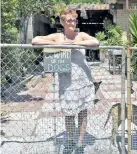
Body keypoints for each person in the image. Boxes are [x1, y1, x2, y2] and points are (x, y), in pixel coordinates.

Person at [32, 9, 99, 154]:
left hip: (83, 80)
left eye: (74, 20)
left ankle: (80, 143)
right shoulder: (57, 36)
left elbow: (95, 42)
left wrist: (74, 43)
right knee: (68, 114)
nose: (72, 23)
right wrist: (60, 45)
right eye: (69, 20)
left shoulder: (80, 36)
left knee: (82, 113)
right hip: (66, 82)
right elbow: (35, 40)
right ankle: (69, 140)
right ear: (62, 22)